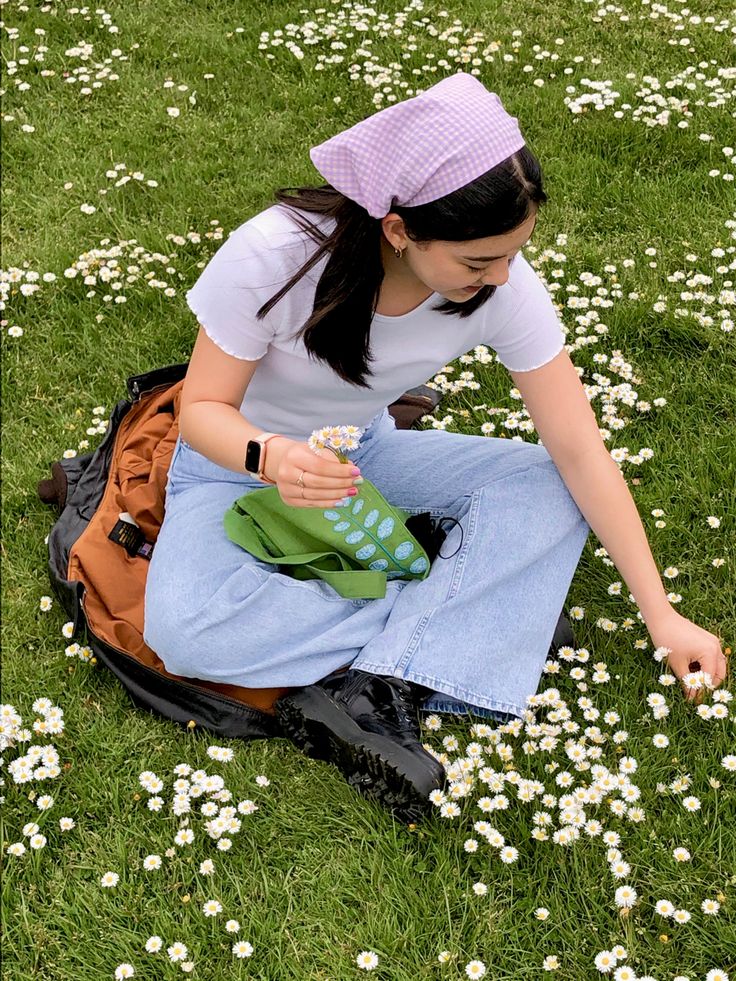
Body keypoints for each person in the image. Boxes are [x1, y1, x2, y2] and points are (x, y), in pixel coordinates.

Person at [143, 73, 727, 822]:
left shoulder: (502, 289)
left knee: (549, 486)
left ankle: (380, 678)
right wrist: (276, 460)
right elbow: (201, 411)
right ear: (398, 230)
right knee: (185, 632)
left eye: (514, 254)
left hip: (362, 455)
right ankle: (473, 616)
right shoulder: (274, 254)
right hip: (233, 468)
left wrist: (662, 614)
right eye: (479, 262)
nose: (502, 279)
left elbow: (581, 450)